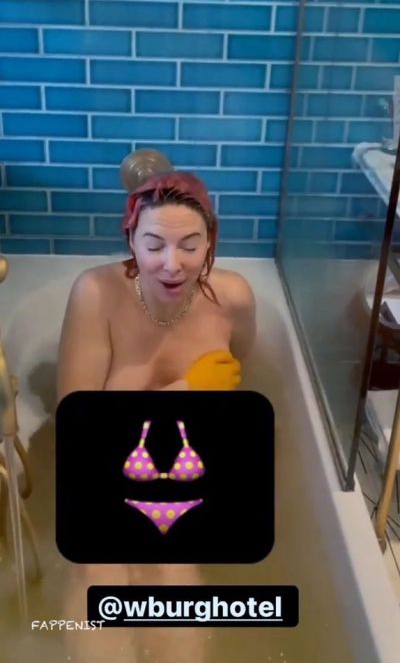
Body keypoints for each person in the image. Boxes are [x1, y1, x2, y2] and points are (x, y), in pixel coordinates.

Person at [56, 170, 256, 662]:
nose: (172, 264)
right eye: (153, 245)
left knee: (177, 580)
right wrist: (187, 390)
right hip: (102, 470)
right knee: (100, 575)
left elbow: (239, 387)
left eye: (190, 245)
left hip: (185, 474)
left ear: (210, 242)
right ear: (131, 239)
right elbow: (76, 426)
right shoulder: (97, 294)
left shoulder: (233, 299)